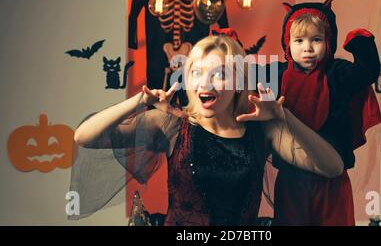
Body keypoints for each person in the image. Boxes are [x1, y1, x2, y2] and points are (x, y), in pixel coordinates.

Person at [72, 35, 343, 226]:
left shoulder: (262, 131)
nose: (205, 83)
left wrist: (284, 117)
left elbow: (332, 167)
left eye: (219, 74)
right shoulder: (171, 124)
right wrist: (140, 101)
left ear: (239, 82)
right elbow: (84, 136)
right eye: (196, 72)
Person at [272, 0, 381, 226]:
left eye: (316, 40)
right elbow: (244, 78)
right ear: (287, 44)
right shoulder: (276, 74)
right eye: (299, 40)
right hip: (292, 179)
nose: (308, 48)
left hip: (331, 182)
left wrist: (362, 45)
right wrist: (229, 49)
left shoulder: (337, 72)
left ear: (328, 42)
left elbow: (365, 73)